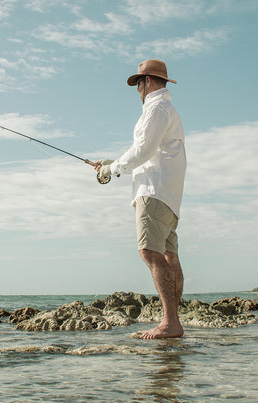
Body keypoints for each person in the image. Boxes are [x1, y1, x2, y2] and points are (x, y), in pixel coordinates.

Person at [94, 59, 186, 339]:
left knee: (149, 252)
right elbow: (144, 150)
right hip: (168, 193)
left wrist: (112, 169)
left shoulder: (155, 108)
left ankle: (171, 323)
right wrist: (114, 163)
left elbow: (143, 151)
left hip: (153, 191)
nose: (137, 91)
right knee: (169, 256)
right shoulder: (166, 108)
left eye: (137, 84)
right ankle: (171, 320)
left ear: (147, 81)